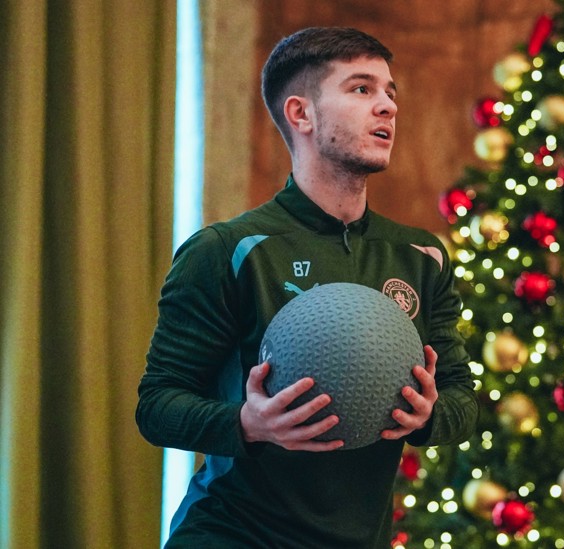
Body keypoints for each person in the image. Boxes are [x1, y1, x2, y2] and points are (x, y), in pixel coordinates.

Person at [136, 27, 478, 548]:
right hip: (233, 535)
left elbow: (462, 402)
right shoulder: (225, 249)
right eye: (362, 89)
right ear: (301, 114)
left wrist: (429, 416)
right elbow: (158, 405)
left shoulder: (420, 256)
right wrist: (247, 424)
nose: (386, 106)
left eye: (390, 92)